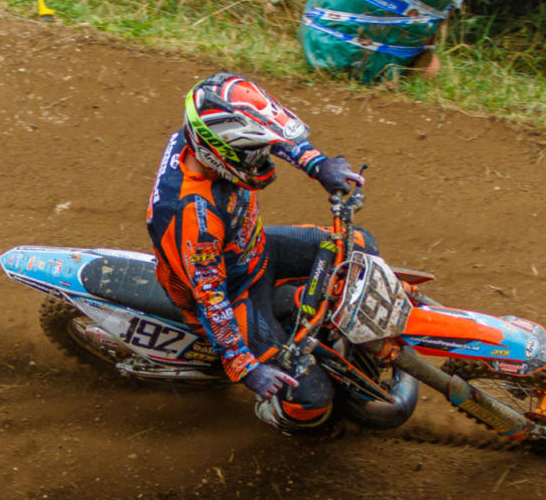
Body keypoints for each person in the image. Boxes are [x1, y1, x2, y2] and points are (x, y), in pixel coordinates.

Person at [146, 72, 375, 433]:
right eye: (253, 155)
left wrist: (317, 164)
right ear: (219, 155)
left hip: (254, 249)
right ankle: (276, 412)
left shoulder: (205, 136)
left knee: (361, 246)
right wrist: (244, 367)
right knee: (312, 398)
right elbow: (211, 298)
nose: (263, 159)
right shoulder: (192, 215)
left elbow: (268, 134)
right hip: (234, 292)